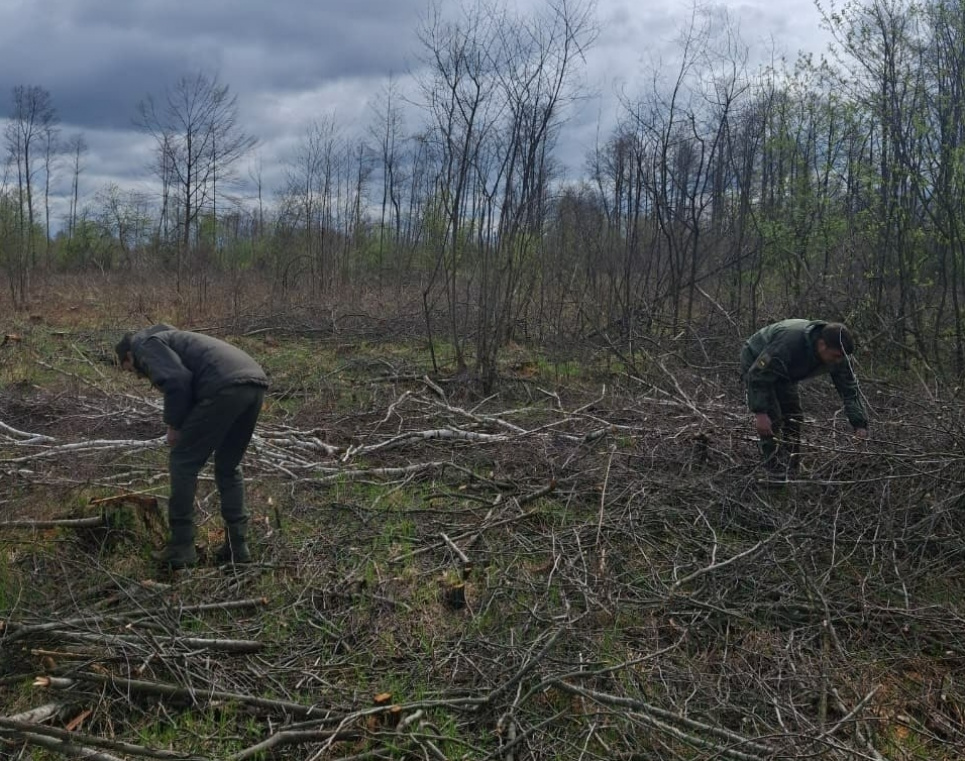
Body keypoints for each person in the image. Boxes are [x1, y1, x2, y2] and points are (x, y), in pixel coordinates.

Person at [116, 324, 269, 569]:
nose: (136, 375)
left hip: (225, 384)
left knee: (183, 462)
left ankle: (181, 546)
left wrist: (174, 425)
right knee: (228, 466)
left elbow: (177, 380)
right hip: (254, 382)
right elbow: (190, 381)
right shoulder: (171, 338)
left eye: (131, 369)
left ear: (129, 356)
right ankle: (238, 547)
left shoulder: (144, 345)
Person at [740, 319, 868, 476]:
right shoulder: (787, 344)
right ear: (822, 345)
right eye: (835, 356)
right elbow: (758, 373)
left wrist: (859, 424)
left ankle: (791, 470)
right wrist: (760, 413)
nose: (838, 361)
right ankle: (773, 473)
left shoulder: (839, 356)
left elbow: (849, 389)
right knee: (772, 419)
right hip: (757, 359)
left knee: (793, 417)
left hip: (785, 371)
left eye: (841, 357)